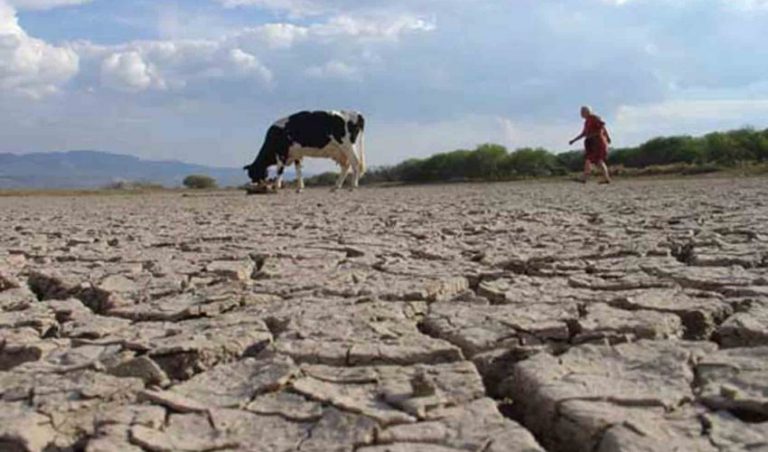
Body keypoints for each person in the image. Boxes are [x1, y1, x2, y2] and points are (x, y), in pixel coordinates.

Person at [569, 106, 612, 184]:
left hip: (597, 142)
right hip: (591, 142)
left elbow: (602, 127)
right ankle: (605, 178)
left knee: (592, 159)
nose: (581, 114)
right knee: (595, 160)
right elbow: (584, 133)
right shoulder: (586, 122)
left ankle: (585, 178)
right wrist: (574, 140)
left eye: (582, 112)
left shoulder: (594, 118)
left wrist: (608, 137)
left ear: (587, 111)